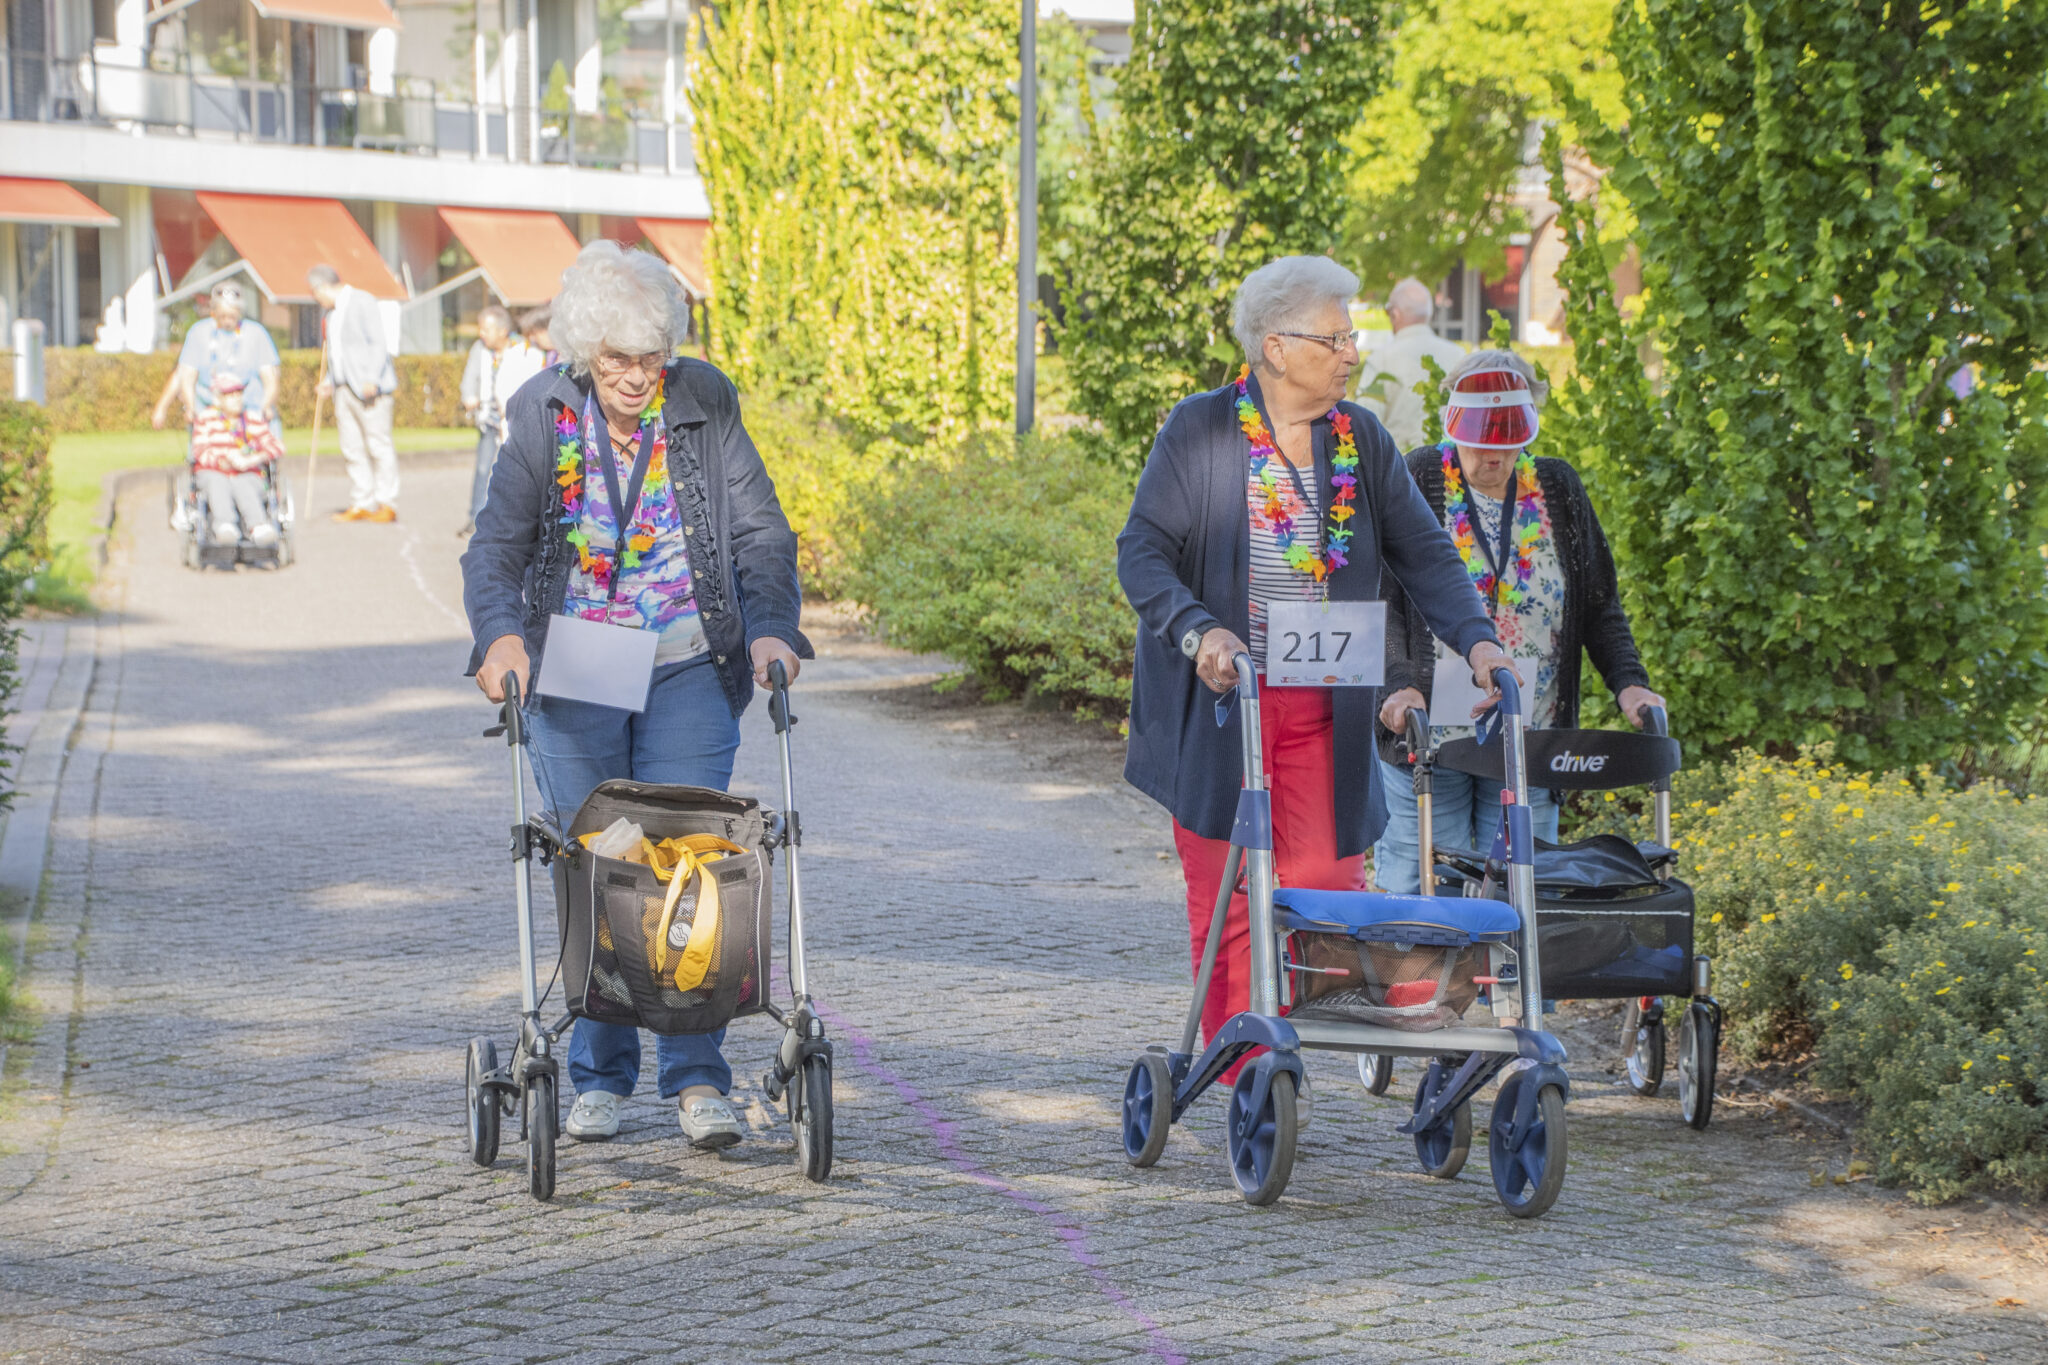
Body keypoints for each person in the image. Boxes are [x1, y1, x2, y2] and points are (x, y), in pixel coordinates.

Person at [1116, 255, 1516, 1067]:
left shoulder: (1359, 437)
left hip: (1324, 708)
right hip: (1224, 705)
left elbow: (1427, 555)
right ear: (1276, 347)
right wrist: (1202, 632)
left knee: (1326, 896)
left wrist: (1477, 640)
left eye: (1351, 335)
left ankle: (1288, 1043)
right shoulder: (1200, 429)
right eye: (1334, 337)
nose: (1351, 352)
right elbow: (1143, 555)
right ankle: (1243, 1072)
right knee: (1230, 898)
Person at [461, 241, 809, 1150]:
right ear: (584, 353)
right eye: (615, 358)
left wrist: (772, 624)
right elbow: (495, 543)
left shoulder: (702, 401)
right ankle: (600, 1075)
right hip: (576, 658)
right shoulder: (542, 413)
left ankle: (697, 1080)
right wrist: (500, 634)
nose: (634, 376)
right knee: (599, 855)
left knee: (691, 854)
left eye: (650, 357)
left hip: (686, 653)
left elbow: (761, 528)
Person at [1371, 349, 1665, 892]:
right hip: (1431, 727)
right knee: (1428, 876)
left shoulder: (1558, 489)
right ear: (1454, 421)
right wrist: (1398, 683)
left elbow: (1600, 603)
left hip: (1528, 727)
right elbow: (1384, 596)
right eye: (1479, 440)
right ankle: (1422, 979)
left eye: (1506, 442)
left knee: (1521, 881)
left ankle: (1506, 979)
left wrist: (1630, 684)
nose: (1492, 456)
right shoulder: (1418, 476)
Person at [308, 264, 401, 523]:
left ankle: (386, 502)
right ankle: (362, 500)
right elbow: (338, 353)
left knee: (378, 443)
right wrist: (329, 380)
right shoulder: (331, 314)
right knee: (352, 446)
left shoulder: (362, 301)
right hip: (342, 389)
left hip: (369, 388)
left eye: (315, 293)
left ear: (322, 286)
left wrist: (371, 377)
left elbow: (378, 342)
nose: (316, 299)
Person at [459, 304, 545, 535]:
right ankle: (475, 518)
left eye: (486, 329)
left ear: (503, 330)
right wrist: (469, 395)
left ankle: (509, 522)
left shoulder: (523, 349)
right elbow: (470, 376)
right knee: (482, 469)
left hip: (513, 422)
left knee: (514, 472)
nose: (481, 334)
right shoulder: (480, 349)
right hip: (488, 419)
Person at [1356, 277, 1466, 452]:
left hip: (1398, 471)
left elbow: (1363, 426)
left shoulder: (1380, 360)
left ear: (1395, 314)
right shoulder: (1460, 357)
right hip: (1449, 470)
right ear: (1429, 314)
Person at [151, 282, 280, 430]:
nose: (227, 320)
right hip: (209, 413)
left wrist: (267, 405)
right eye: (222, 316)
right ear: (214, 312)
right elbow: (185, 375)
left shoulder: (257, 333)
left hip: (249, 412)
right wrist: (187, 407)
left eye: (232, 315)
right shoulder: (198, 332)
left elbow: (270, 377)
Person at [188, 372, 283, 547]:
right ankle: (225, 526)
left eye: (238, 393)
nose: (236, 398)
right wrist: (222, 461)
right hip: (215, 471)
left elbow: (276, 447)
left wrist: (253, 459)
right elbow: (199, 450)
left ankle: (257, 526)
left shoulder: (252, 419)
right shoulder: (206, 420)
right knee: (217, 482)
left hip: (248, 473)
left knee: (243, 481)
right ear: (218, 399)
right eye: (230, 395)